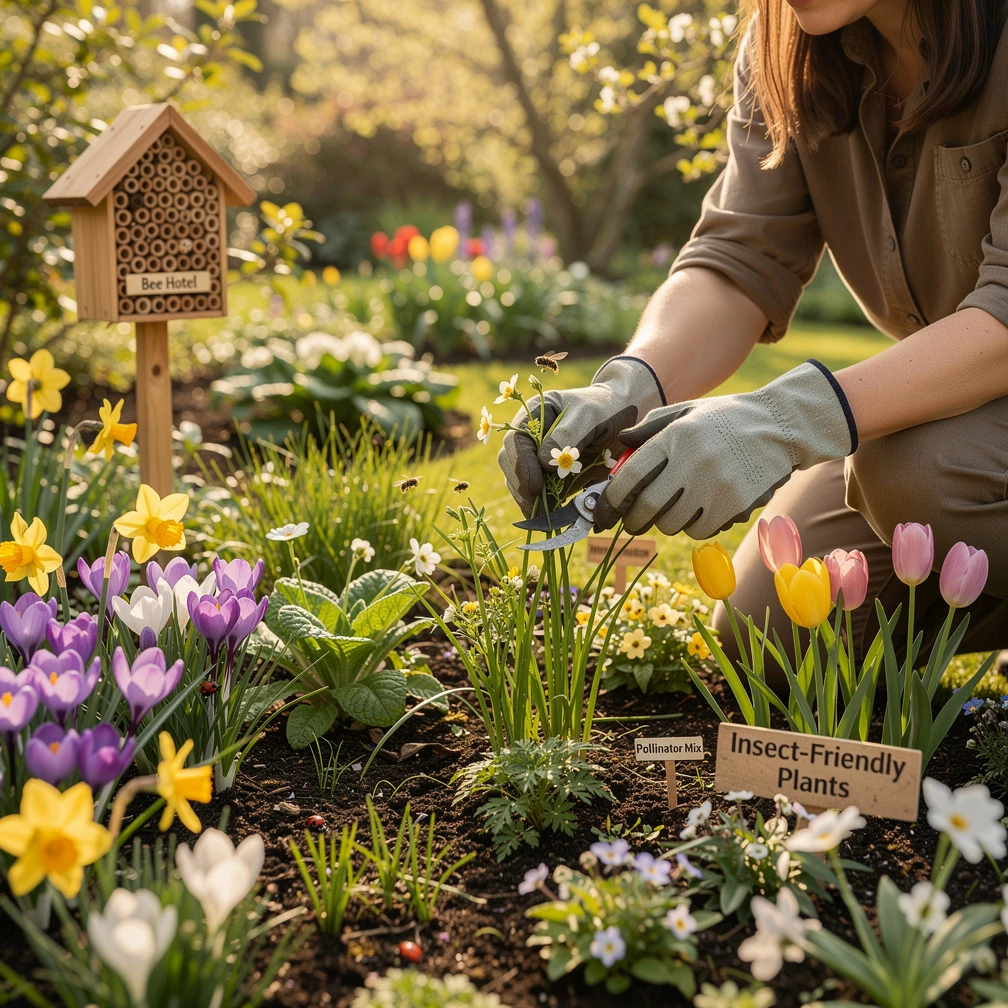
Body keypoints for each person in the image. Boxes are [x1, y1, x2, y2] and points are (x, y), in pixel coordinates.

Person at [499, 0, 1008, 668]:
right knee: (771, 621)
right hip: (969, 409)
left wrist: (785, 421)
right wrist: (628, 386)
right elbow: (739, 259)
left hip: (963, 429)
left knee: (915, 475)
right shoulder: (790, 47)